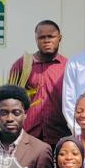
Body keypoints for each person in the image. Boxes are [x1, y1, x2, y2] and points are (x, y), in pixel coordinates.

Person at [9, 19, 71, 148]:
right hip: (27, 138)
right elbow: (9, 100)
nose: (46, 40)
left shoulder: (68, 66)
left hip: (60, 138)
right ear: (36, 39)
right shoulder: (23, 64)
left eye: (51, 36)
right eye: (42, 37)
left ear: (60, 38)